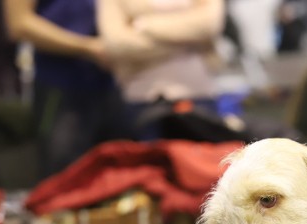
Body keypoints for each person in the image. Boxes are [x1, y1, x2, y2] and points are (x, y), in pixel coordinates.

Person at [4, 0, 131, 179]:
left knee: (122, 176)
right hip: (61, 86)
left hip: (116, 83)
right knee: (65, 181)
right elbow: (19, 25)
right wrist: (87, 47)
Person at [97, 0, 226, 140]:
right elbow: (118, 44)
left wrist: (144, 25)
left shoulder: (143, 25)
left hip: (201, 97)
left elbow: (208, 25)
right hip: (141, 100)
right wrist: (188, 39)